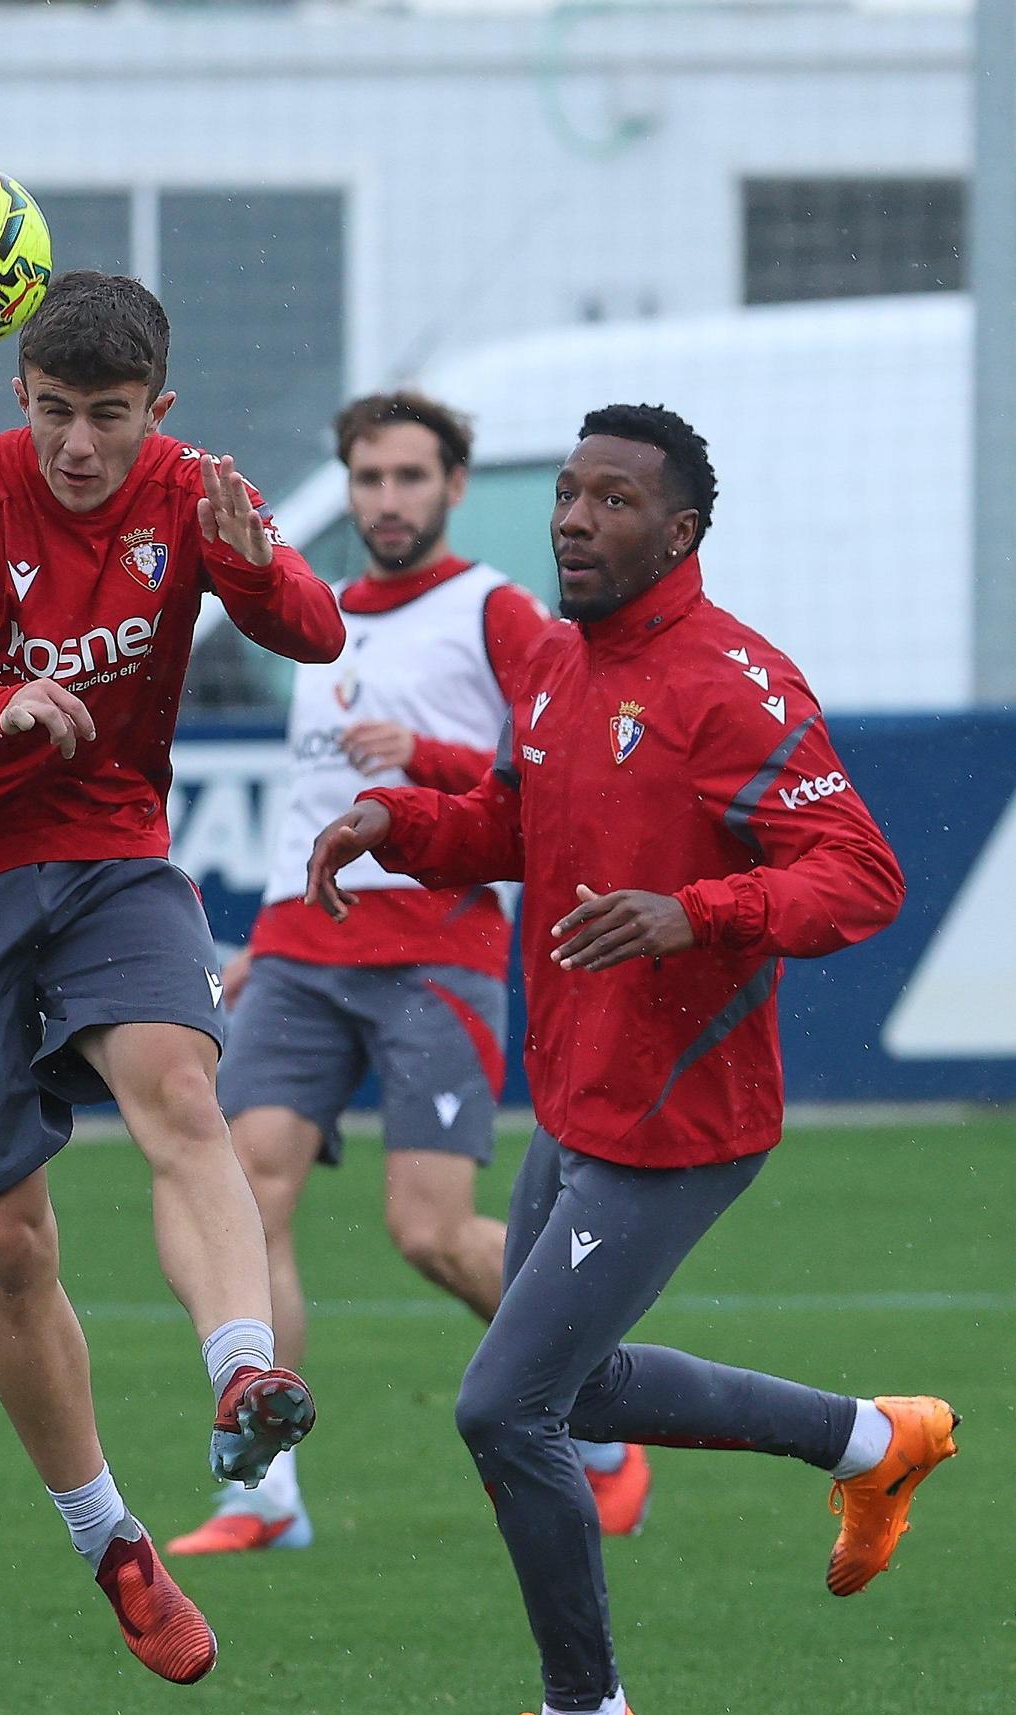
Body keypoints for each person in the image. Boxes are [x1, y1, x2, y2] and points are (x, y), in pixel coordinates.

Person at [307, 403, 959, 1715]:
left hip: (684, 1115)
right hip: (581, 1097)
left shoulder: (734, 684)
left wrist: (695, 912)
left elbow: (860, 876)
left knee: (503, 1405)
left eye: (611, 501)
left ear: (679, 532)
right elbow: (513, 830)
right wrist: (401, 826)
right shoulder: (555, 672)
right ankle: (870, 1439)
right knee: (577, 1390)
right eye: (568, 496)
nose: (574, 521)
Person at [0, 270, 346, 1686]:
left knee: (182, 1086)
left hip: (112, 848)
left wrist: (260, 564)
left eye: (107, 418)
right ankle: (110, 1538)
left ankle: (244, 1370)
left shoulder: (193, 491)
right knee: (9, 1246)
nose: (77, 446)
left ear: (155, 411)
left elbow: (316, 636)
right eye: (54, 412)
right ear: (20, 397)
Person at [167, 392, 650, 1556]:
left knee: (427, 1229)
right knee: (246, 1192)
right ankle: (263, 1492)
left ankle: (604, 1420)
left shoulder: (494, 609)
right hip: (299, 944)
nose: (386, 498)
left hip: (436, 945)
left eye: (408, 477)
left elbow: (564, 742)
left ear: (451, 486)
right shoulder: (317, 615)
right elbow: (309, 799)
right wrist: (271, 919)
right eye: (368, 478)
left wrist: (429, 760)